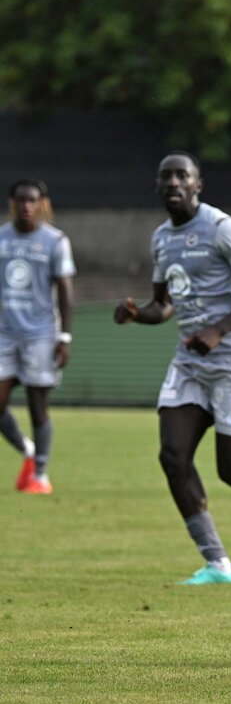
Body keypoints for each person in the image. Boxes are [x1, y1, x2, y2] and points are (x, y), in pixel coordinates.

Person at [114, 151, 231, 585]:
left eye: (182, 175)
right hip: (190, 363)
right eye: (166, 176)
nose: (173, 182)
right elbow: (164, 305)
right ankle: (218, 563)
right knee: (172, 456)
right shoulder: (161, 238)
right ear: (158, 185)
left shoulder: (222, 228)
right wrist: (137, 313)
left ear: (197, 184)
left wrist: (219, 329)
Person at [0, 179, 75, 495]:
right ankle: (27, 449)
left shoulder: (54, 241)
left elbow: (65, 289)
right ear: (12, 203)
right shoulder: (2, 238)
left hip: (41, 335)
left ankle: (40, 475)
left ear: (41, 204)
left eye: (32, 201)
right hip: (4, 333)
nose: (26, 206)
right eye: (21, 200)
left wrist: (65, 337)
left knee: (37, 406)